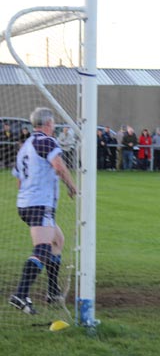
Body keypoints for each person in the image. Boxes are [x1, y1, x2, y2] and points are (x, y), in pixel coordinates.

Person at [9, 107, 77, 315]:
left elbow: (20, 180)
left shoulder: (25, 146)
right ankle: (20, 294)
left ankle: (52, 291)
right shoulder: (47, 141)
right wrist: (72, 187)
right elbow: (58, 166)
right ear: (48, 123)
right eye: (54, 122)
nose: (54, 125)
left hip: (27, 203)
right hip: (39, 204)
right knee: (43, 249)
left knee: (58, 241)